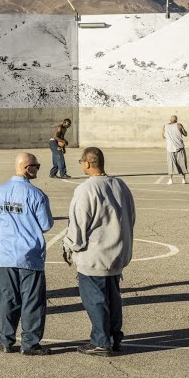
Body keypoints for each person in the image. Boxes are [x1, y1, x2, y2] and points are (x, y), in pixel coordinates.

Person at [62, 147, 136, 356]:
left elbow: (77, 224)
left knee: (95, 300)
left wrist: (69, 247)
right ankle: (114, 338)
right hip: (116, 254)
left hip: (94, 256)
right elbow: (130, 217)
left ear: (86, 163)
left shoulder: (86, 189)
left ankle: (101, 341)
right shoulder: (120, 185)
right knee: (113, 300)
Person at [0, 152, 54, 356]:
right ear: (27, 168)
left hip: (7, 256)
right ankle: (30, 343)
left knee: (8, 300)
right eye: (36, 166)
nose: (38, 169)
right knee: (32, 301)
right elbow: (46, 224)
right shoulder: (36, 195)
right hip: (30, 256)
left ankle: (5, 340)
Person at [164, 115, 188, 184]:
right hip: (179, 148)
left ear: (170, 119)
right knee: (182, 163)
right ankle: (183, 180)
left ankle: (170, 180)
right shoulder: (179, 125)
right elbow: (185, 134)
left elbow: (163, 136)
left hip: (170, 148)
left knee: (170, 164)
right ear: (176, 120)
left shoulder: (165, 126)